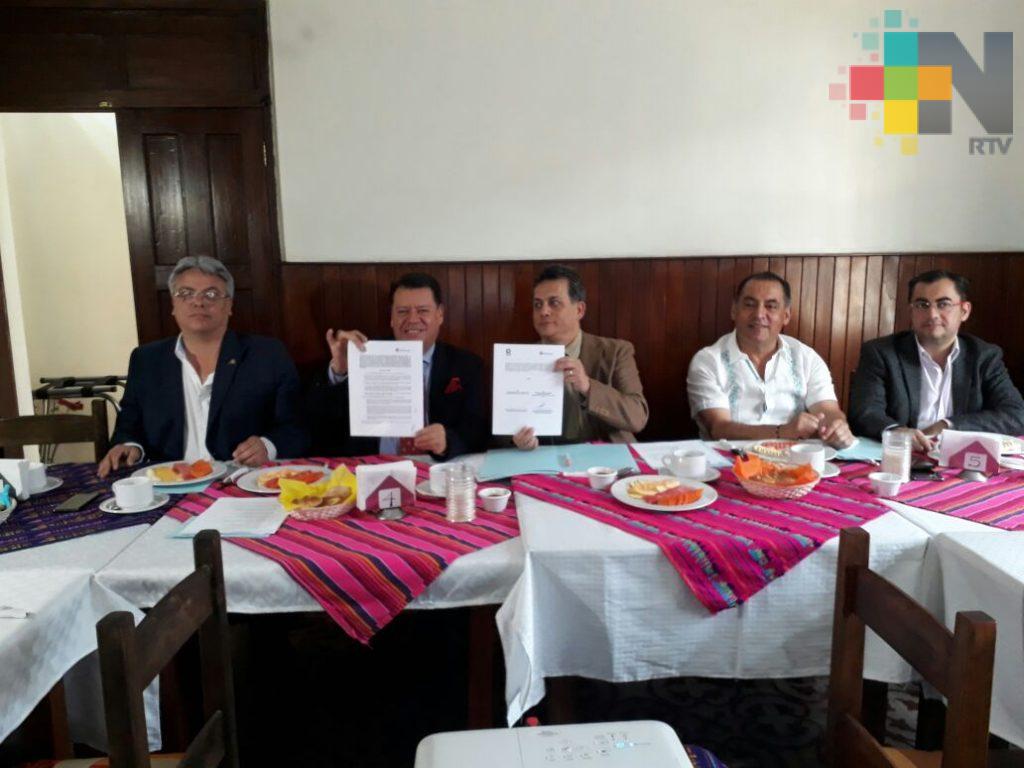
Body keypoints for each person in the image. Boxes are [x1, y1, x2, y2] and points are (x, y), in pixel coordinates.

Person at [98, 256, 308, 477]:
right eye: (186, 293)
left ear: (229, 305)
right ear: (173, 304)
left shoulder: (266, 354)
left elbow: (297, 428)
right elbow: (128, 426)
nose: (198, 302)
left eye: (211, 294)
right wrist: (129, 445)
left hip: (242, 480)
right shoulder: (146, 360)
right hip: (169, 482)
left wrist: (267, 445)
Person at [307, 272, 486, 460]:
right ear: (391, 317)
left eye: (423, 310)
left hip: (436, 467)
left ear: (439, 314)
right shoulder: (363, 355)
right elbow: (319, 423)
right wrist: (339, 371)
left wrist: (447, 442)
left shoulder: (467, 366)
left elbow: (475, 432)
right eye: (402, 311)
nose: (413, 319)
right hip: (371, 466)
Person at [849, 269, 1024, 451]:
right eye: (922, 305)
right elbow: (865, 412)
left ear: (964, 311)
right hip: (900, 453)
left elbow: (1016, 414)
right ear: (911, 311)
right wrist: (897, 432)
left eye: (943, 304)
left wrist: (948, 426)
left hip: (959, 456)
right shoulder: (881, 352)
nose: (932, 314)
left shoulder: (984, 356)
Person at [687, 271, 854, 447]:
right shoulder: (708, 361)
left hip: (796, 457)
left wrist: (837, 426)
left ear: (786, 316)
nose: (759, 314)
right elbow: (719, 428)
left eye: (771, 306)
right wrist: (782, 431)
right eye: (750, 305)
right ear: (734, 311)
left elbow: (828, 410)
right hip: (730, 457)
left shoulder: (807, 358)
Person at [512, 264, 648, 449]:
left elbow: (637, 417)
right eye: (538, 304)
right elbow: (503, 430)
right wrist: (518, 439)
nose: (544, 311)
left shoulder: (616, 352)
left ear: (579, 310)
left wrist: (588, 386)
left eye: (554, 303)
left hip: (608, 457)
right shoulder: (520, 360)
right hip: (545, 457)